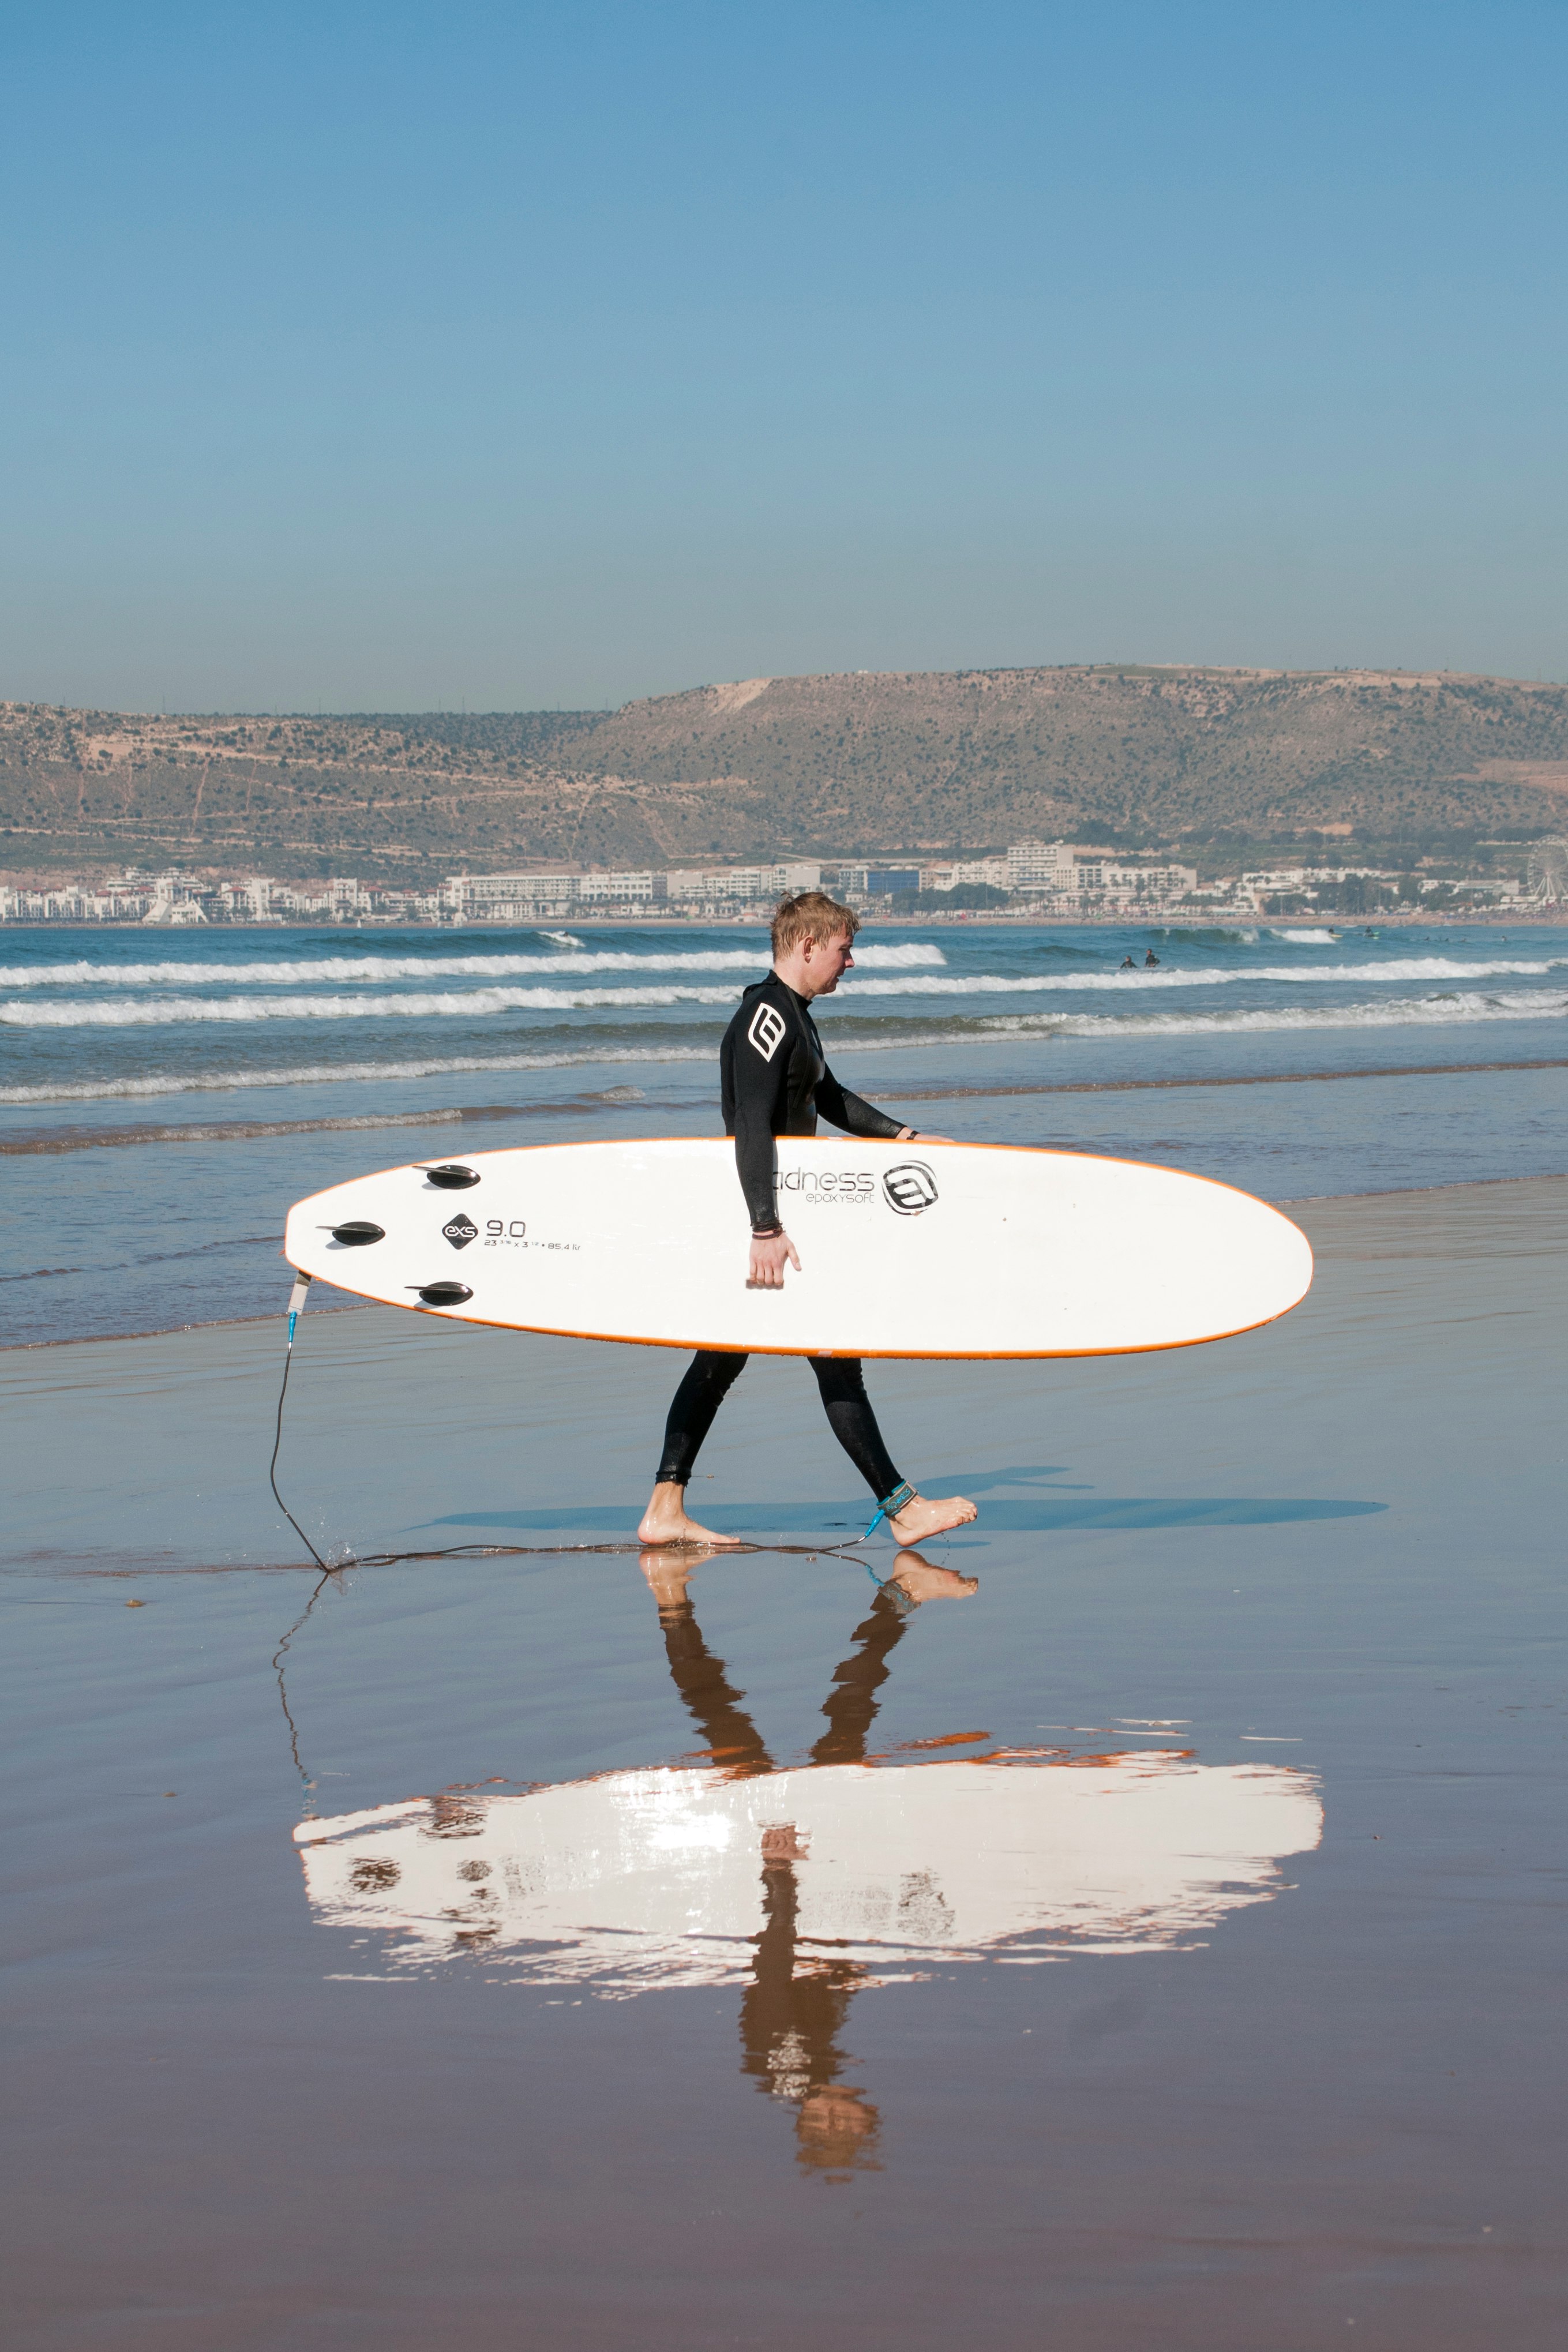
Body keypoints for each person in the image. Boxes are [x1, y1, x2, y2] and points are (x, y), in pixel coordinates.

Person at [637, 891, 980, 1549]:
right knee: (830, 1358)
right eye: (844, 949)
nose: (849, 963)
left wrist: (905, 1137)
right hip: (770, 1222)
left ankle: (665, 1507)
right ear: (808, 945)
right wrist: (765, 1227)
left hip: (775, 1216)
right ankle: (902, 1508)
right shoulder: (767, 1015)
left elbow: (828, 1098)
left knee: (722, 1360)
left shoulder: (795, 1016)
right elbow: (750, 1124)